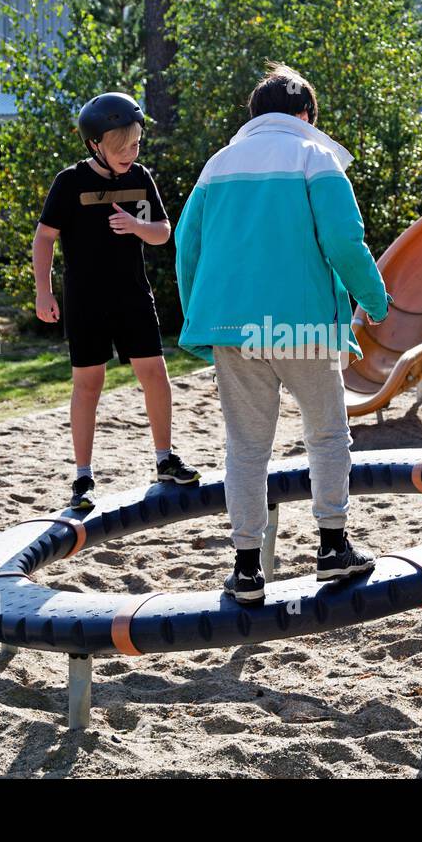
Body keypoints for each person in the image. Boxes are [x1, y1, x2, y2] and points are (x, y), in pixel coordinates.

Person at [175, 63, 391, 605]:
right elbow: (344, 240)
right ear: (305, 115)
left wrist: (201, 316)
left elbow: (186, 245)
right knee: (325, 434)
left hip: (233, 327)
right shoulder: (314, 157)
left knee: (246, 447)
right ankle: (332, 546)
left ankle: (247, 569)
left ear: (254, 116)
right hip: (303, 325)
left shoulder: (217, 165)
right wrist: (374, 299)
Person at [33, 92, 200, 513]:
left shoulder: (140, 178)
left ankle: (164, 459)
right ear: (95, 145)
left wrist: (135, 225)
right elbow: (44, 238)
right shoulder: (69, 182)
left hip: (132, 295)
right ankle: (83, 476)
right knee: (88, 385)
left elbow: (163, 232)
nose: (131, 152)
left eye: (136, 143)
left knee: (156, 376)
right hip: (86, 300)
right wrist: (43, 291)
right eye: (122, 145)